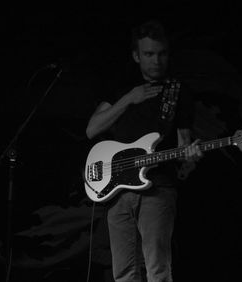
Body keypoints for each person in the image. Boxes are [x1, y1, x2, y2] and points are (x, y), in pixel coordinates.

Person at [85, 20, 202, 282]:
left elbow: (184, 144)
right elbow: (92, 130)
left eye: (161, 54)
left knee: (157, 269)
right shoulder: (121, 89)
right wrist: (129, 98)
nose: (156, 60)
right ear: (136, 56)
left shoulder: (178, 92)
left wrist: (190, 157)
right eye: (149, 54)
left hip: (158, 188)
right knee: (124, 273)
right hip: (117, 189)